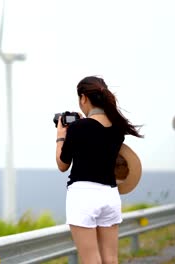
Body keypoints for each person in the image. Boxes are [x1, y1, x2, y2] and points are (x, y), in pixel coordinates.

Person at [55, 76, 143, 263]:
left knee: (91, 259)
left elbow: (62, 165)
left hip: (83, 196)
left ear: (84, 98)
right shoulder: (117, 129)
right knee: (110, 258)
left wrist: (61, 136)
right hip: (110, 195)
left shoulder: (78, 128)